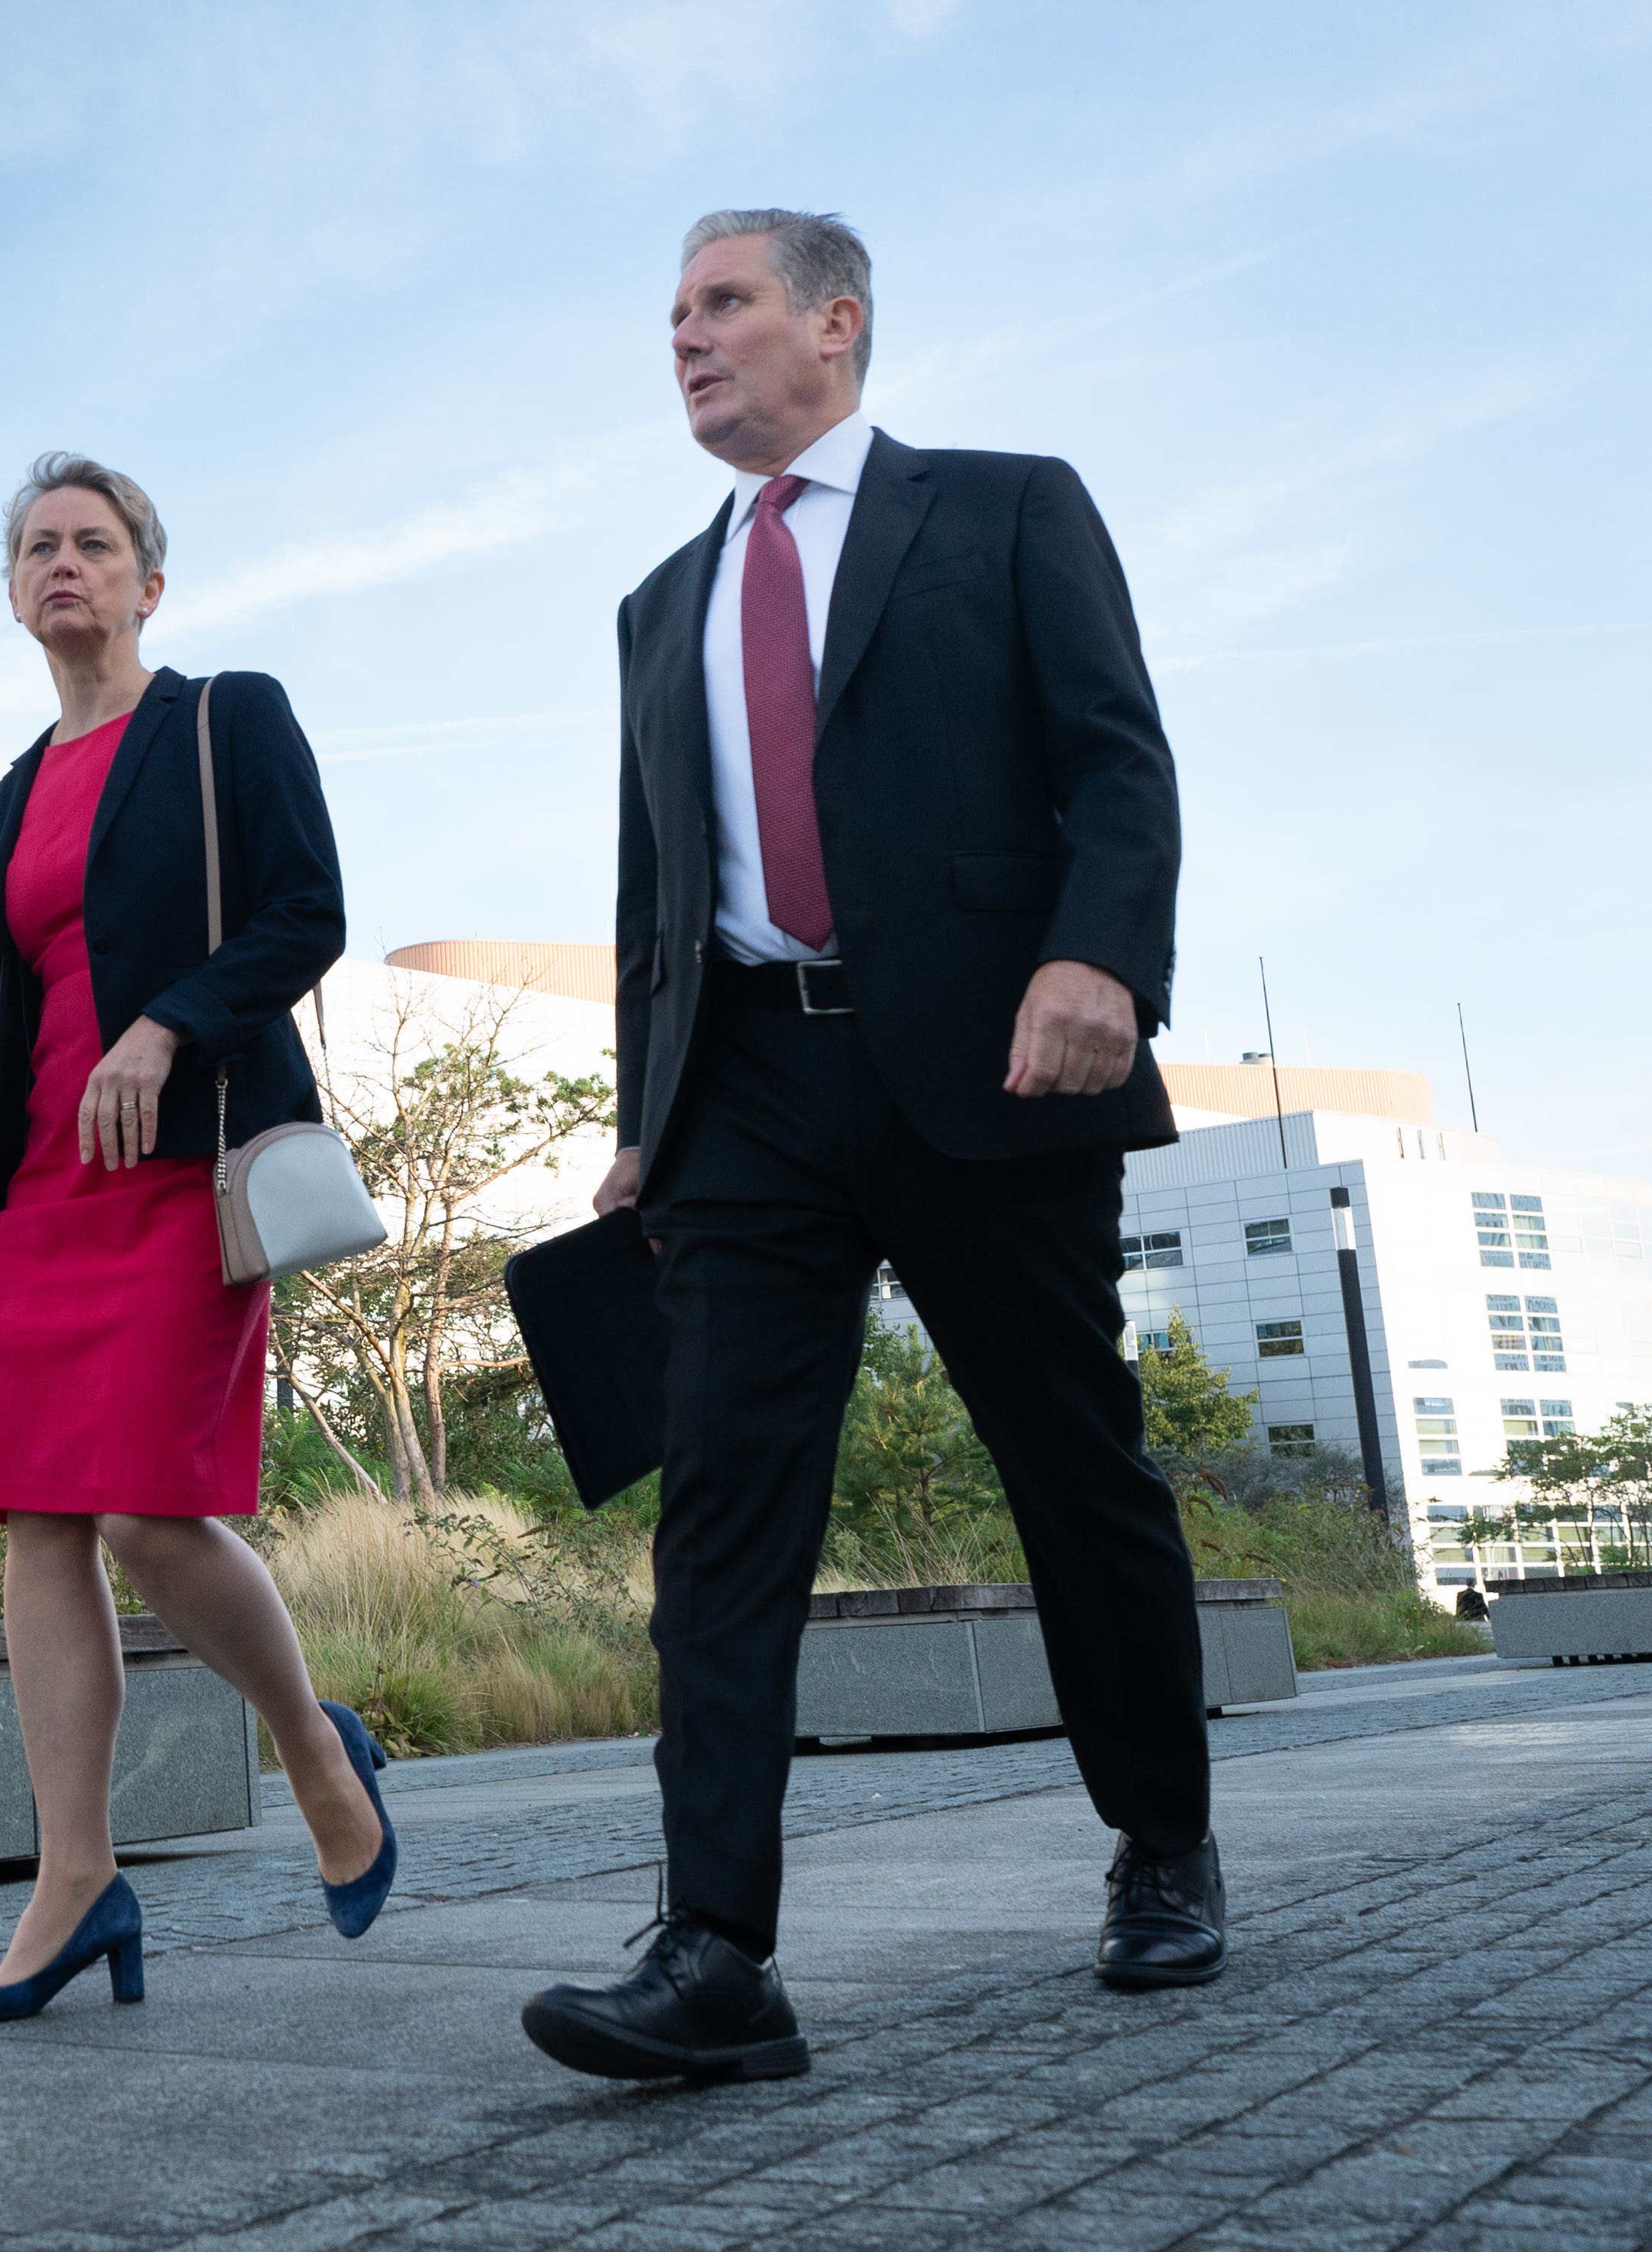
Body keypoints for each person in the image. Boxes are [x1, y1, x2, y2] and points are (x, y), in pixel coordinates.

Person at [520, 211, 1221, 2085]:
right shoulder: (655, 604)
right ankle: (716, 1953)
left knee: (1071, 1460)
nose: (685, 338)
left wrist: (1099, 960)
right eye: (670, 312)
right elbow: (654, 896)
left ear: (836, 324)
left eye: (723, 303)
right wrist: (641, 1123)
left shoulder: (1002, 509)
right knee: (725, 1507)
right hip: (744, 1092)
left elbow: (1116, 758)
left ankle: (1162, 1842)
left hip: (992, 1059)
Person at [0, 454, 394, 2022]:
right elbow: (7, 1010)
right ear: (12, 591)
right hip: (43, 1187)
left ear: (146, 583)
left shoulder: (222, 718)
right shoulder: (6, 794)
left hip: (179, 1171)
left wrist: (167, 1028)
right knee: (34, 1521)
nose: (63, 566)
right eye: (37, 547)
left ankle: (316, 1747)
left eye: (92, 545)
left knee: (147, 1517)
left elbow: (303, 912)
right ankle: (75, 1882)